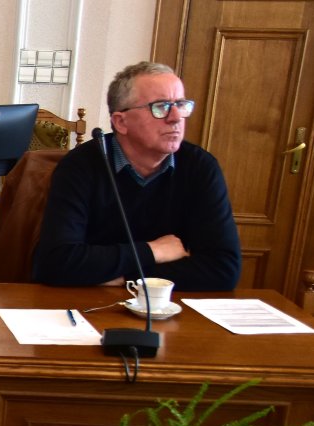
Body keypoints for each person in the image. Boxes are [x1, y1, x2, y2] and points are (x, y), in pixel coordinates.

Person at [31, 61, 241, 290]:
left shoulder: (201, 167)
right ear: (121, 122)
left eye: (180, 105)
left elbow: (224, 270)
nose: (176, 118)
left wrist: (125, 278)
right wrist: (155, 251)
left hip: (170, 310)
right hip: (87, 307)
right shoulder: (81, 166)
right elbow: (56, 263)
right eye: (160, 107)